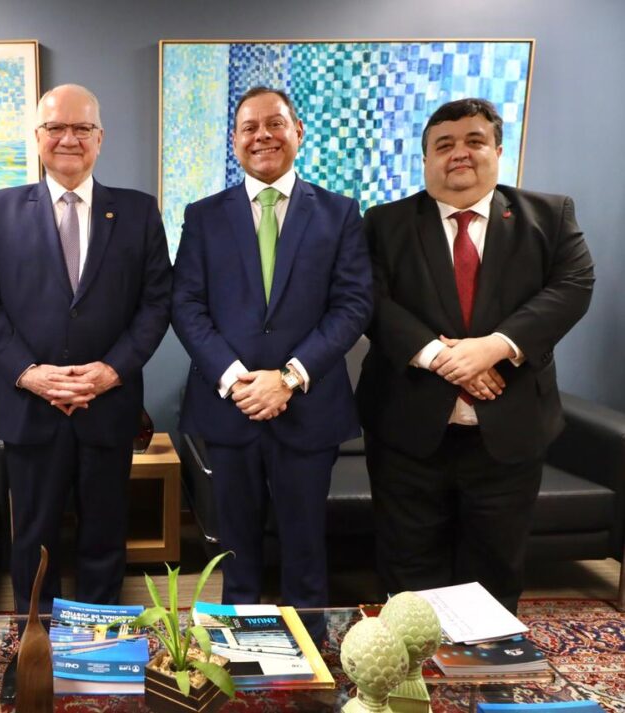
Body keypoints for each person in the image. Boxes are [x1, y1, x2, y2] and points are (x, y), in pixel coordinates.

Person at [357, 98, 595, 613]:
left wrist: (492, 348)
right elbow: (369, 301)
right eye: (444, 144)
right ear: (425, 160)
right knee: (407, 576)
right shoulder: (384, 222)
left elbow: (573, 287)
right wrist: (444, 359)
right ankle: (415, 664)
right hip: (407, 432)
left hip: (509, 431)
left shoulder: (549, 216)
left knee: (494, 572)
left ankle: (484, 661)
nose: (459, 153)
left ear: (498, 151)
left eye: (474, 141)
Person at [0, 84, 171, 614]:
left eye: (81, 128)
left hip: (108, 404)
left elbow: (156, 304)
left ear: (100, 138)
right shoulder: (0, 209)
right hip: (30, 405)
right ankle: (35, 642)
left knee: (105, 533)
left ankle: (101, 641)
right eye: (55, 127)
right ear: (38, 136)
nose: (68, 139)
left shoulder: (138, 212)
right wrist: (29, 372)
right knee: (33, 538)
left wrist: (112, 371)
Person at [172, 87, 372, 609]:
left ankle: (310, 650)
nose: (262, 135)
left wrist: (288, 378)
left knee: (305, 551)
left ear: (297, 132)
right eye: (249, 127)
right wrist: (236, 378)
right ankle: (238, 648)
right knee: (234, 553)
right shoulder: (203, 216)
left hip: (308, 406)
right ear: (234, 140)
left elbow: (352, 305)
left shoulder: (339, 213)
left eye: (275, 123)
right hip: (229, 407)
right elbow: (186, 304)